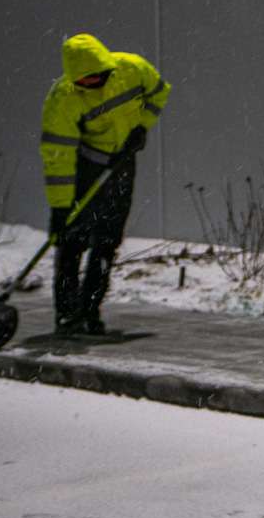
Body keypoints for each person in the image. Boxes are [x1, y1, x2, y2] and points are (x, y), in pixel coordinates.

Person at [39, 32, 170, 335]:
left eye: (96, 77)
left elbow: (159, 92)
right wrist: (60, 208)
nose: (91, 84)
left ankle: (90, 310)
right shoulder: (64, 99)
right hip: (85, 168)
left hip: (122, 164)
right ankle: (67, 314)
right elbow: (58, 157)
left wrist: (141, 128)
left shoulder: (132, 69)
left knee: (107, 241)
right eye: (84, 81)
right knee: (72, 241)